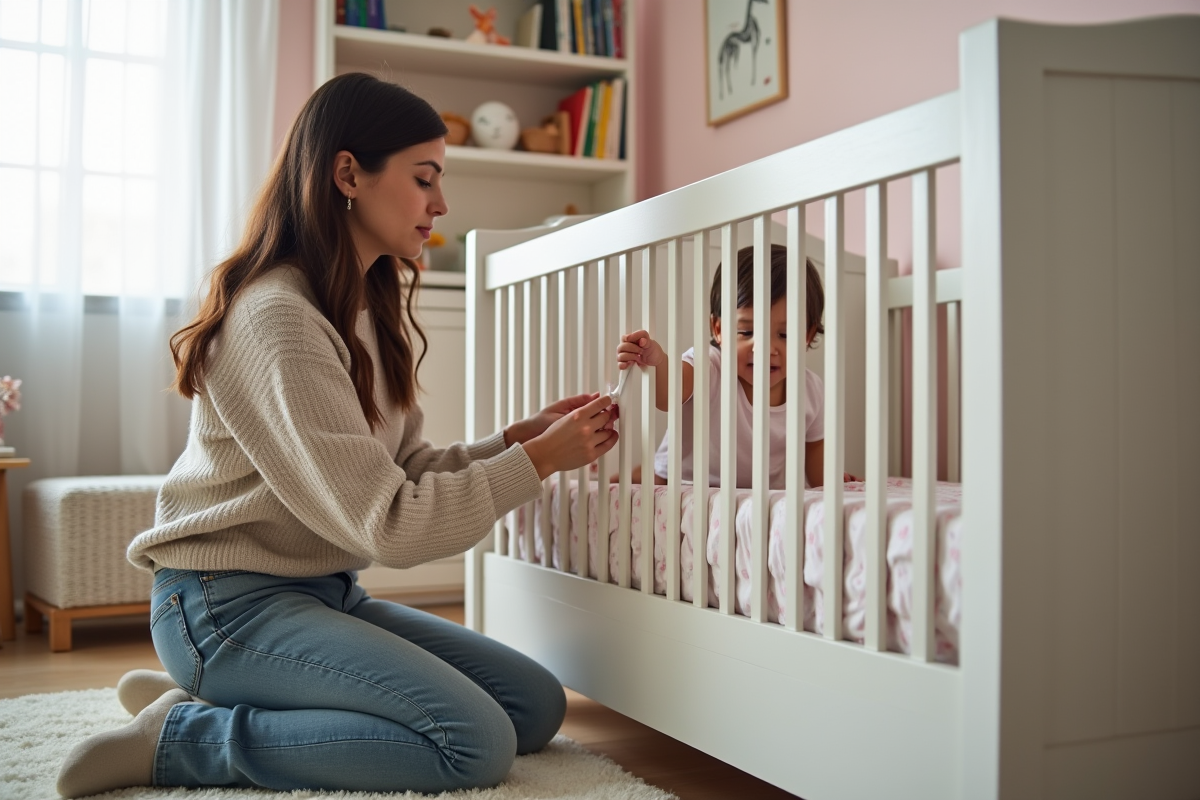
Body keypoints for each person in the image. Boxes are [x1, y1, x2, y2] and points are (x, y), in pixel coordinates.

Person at [55, 73, 619, 798]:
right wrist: (538, 461)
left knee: (531, 707)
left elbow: (405, 469)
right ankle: (185, 737)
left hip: (320, 593)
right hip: (224, 605)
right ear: (348, 173)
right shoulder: (279, 320)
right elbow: (392, 526)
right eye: (424, 179)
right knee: (472, 745)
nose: (441, 204)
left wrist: (516, 438)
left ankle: (219, 694)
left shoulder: (365, 308)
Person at [616, 243, 854, 490]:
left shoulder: (810, 391)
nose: (764, 348)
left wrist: (837, 482)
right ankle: (625, 476)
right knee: (643, 482)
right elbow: (668, 396)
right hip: (682, 481)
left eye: (785, 334)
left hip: (757, 496)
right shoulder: (710, 366)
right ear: (718, 330)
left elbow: (819, 475)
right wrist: (660, 361)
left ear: (807, 334)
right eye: (746, 331)